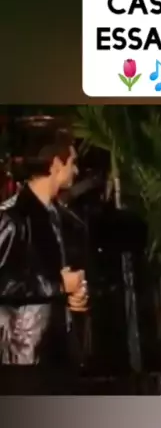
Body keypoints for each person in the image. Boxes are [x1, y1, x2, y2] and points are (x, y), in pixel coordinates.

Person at [0, 126, 89, 381]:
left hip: (61, 353)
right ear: (56, 165)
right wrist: (58, 285)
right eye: (72, 162)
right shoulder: (12, 217)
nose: (76, 170)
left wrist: (78, 296)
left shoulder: (66, 220)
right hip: (23, 356)